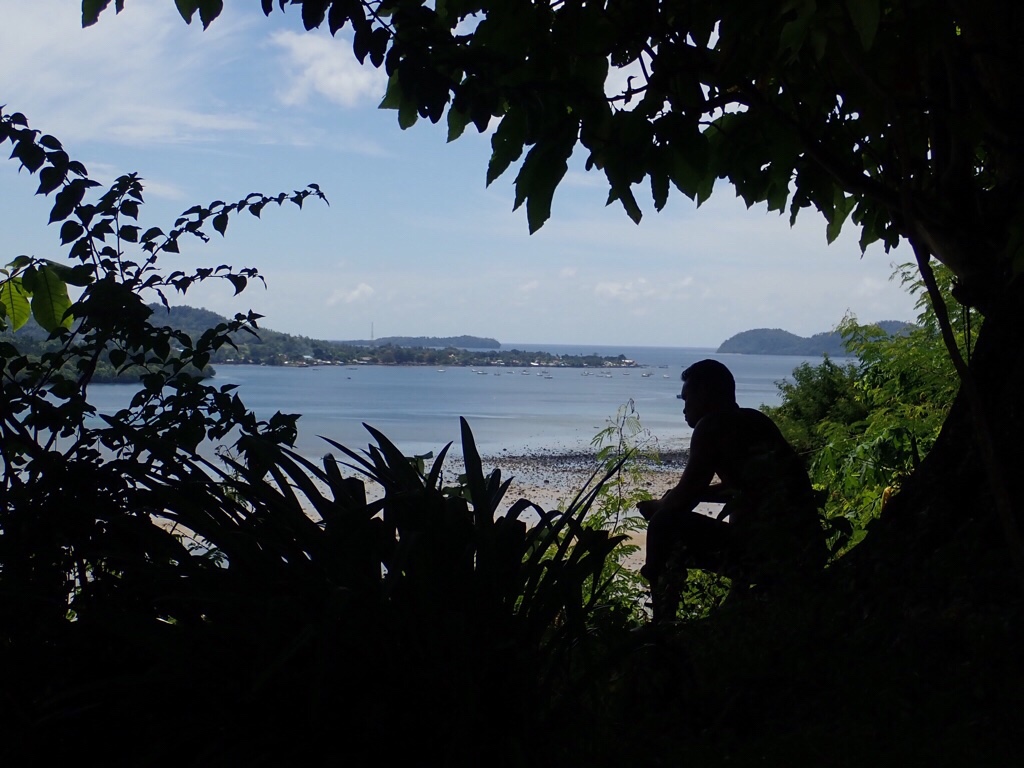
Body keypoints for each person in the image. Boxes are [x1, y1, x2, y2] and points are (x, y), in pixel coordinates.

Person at [637, 359, 826, 622]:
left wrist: (657, 506)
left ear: (705, 394)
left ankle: (662, 621)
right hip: (807, 548)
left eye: (687, 399)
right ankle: (737, 598)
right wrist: (691, 494)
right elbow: (748, 485)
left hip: (769, 554)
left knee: (663, 524)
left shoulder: (710, 426)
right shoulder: (756, 420)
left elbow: (686, 497)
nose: (684, 408)